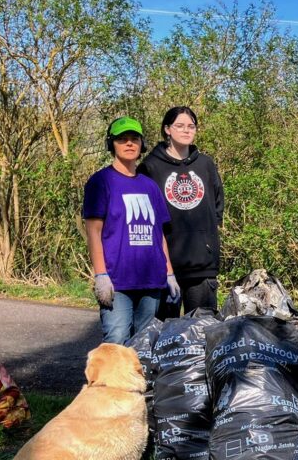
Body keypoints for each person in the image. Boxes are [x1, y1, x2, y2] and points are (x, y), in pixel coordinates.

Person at [83, 116, 178, 345]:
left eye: (134, 139)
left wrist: (169, 273)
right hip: (117, 281)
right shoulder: (101, 182)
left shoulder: (150, 186)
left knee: (143, 344)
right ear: (111, 144)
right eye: (122, 139)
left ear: (141, 144)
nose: (129, 143)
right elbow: (93, 232)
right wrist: (101, 275)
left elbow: (158, 235)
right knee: (116, 340)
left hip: (151, 279)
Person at [139, 106, 223, 318]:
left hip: (202, 265)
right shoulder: (150, 167)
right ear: (167, 129)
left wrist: (206, 240)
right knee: (166, 332)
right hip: (165, 268)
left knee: (202, 330)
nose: (186, 130)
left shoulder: (205, 164)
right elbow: (146, 216)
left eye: (191, 126)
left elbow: (217, 206)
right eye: (180, 126)